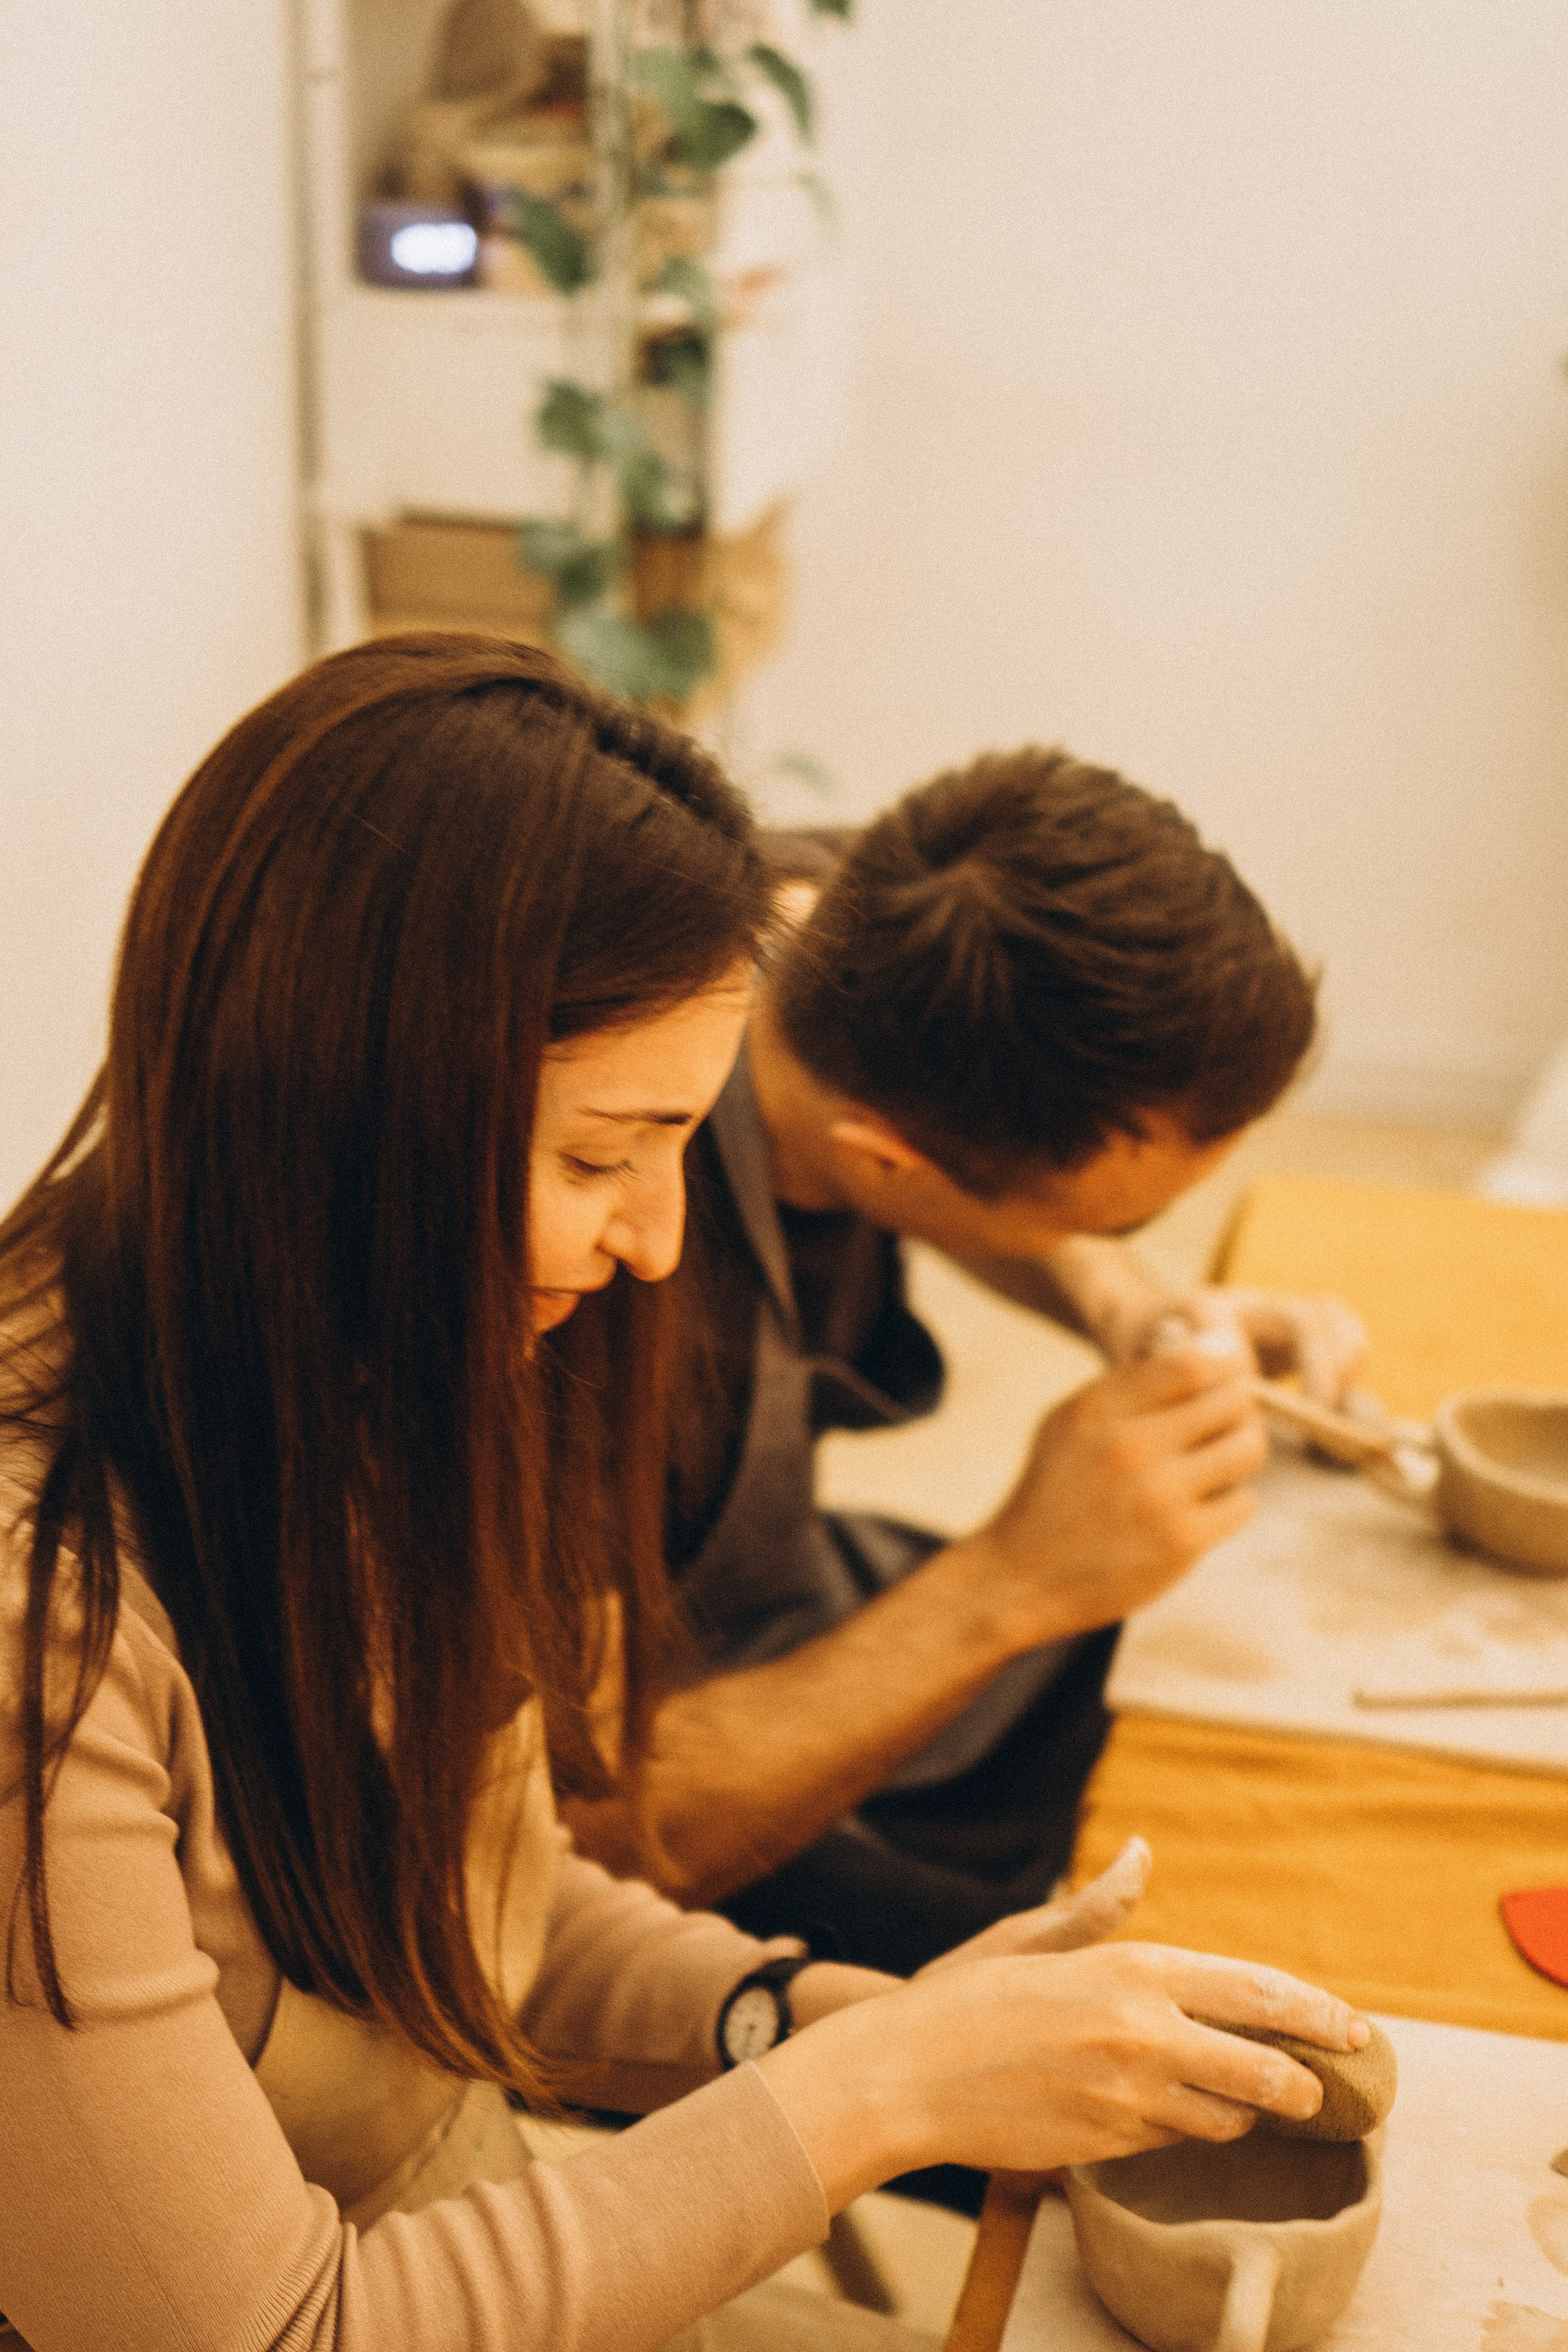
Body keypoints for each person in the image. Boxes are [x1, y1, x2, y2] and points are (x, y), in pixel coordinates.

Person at [0, 637, 1369, 2352]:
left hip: (450, 2209)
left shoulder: (361, 1343)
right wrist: (879, 2091)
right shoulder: (44, 1643)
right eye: (599, 1156)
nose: (659, 1241)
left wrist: (810, 2019)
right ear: (338, 1113)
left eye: (680, 1144)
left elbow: (493, 1896)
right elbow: (276, 2327)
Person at [560, 758, 1368, 1977]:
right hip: (646, 1742)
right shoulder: (583, 1282)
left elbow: (989, 1182)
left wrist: (1129, 1306)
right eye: (1106, 1222)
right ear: (880, 1162)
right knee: (1117, 1975)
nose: (1108, 1247)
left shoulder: (868, 908)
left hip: (760, 1579)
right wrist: (1012, 1579)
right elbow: (580, 1843)